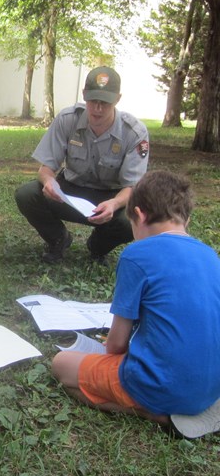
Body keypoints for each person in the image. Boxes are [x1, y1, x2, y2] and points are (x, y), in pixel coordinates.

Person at [51, 170, 220, 439]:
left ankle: (155, 415)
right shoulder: (210, 255)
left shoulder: (136, 254)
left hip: (158, 386)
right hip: (210, 389)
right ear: (186, 218)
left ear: (138, 215)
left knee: (62, 364)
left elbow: (116, 345)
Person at [14, 66, 149, 264]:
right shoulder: (67, 119)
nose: (98, 108)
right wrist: (49, 182)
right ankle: (58, 239)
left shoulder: (134, 133)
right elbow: (45, 168)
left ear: (117, 99)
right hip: (69, 192)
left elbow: (133, 187)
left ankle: (97, 247)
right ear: (84, 94)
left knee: (136, 217)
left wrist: (113, 204)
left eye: (105, 102)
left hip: (111, 197)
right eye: (93, 100)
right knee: (27, 194)